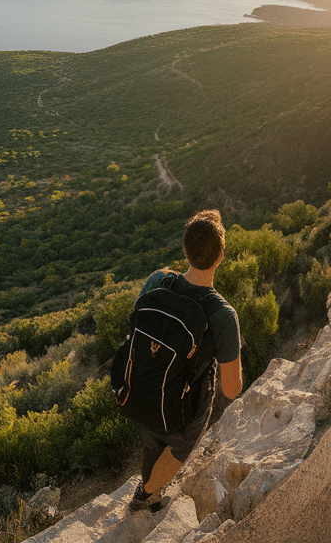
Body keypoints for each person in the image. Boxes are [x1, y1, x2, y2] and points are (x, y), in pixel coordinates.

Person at [127, 209, 242, 513]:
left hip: (145, 387)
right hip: (183, 408)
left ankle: (151, 475)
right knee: (180, 443)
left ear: (186, 250)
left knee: (154, 437)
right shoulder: (223, 315)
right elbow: (231, 390)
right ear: (220, 256)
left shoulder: (158, 281)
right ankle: (145, 494)